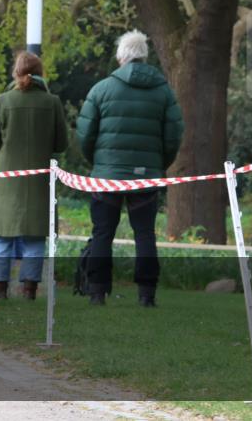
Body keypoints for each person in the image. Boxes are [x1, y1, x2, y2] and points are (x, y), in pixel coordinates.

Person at [76, 30, 184, 308]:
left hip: (107, 176)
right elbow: (173, 136)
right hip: (146, 176)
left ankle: (97, 291)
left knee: (103, 233)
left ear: (120, 57)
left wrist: (98, 162)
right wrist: (158, 165)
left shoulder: (101, 89)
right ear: (145, 57)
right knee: (145, 234)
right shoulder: (164, 92)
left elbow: (85, 135)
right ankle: (147, 294)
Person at [0, 52, 68, 300]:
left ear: (16, 73)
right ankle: (30, 290)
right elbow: (61, 143)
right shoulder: (52, 102)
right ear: (41, 73)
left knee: (1, 235)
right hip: (39, 178)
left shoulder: (3, 101)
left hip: (6, 177)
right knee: (35, 237)